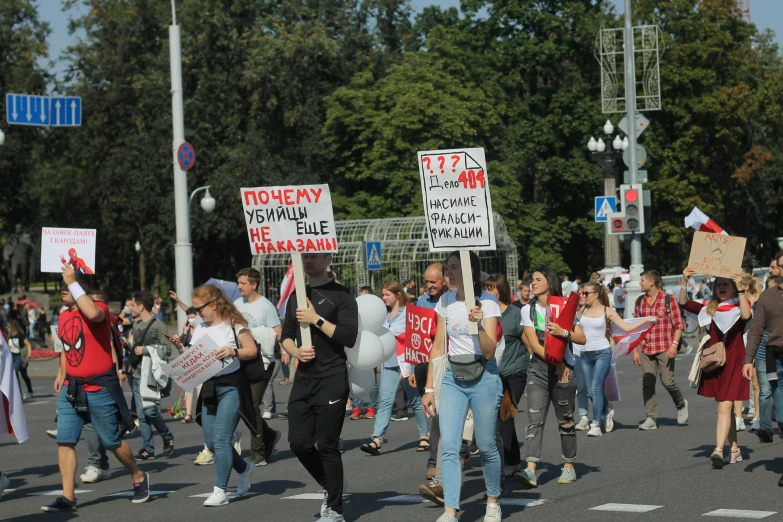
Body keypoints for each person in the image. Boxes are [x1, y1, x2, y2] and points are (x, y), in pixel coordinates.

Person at [43, 265, 148, 512]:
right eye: (62, 286)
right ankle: (68, 497)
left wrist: (73, 281)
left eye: (67, 286)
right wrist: (61, 373)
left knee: (111, 440)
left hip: (99, 387)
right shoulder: (64, 314)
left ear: (83, 287)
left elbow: (92, 314)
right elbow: (66, 348)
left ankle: (137, 474)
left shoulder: (98, 307)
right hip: (72, 388)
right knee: (65, 440)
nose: (63, 290)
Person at [421, 251, 503, 522]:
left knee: (488, 445)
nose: (449, 274)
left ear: (469, 270)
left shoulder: (488, 303)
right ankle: (450, 511)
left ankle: (493, 500)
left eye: (454, 268)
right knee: (450, 445)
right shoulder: (444, 300)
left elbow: (490, 351)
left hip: (484, 376)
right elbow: (437, 345)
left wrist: (478, 323)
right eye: (447, 269)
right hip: (453, 377)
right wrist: (429, 389)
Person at [281, 252, 358, 522]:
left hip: (332, 376)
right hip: (304, 378)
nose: (308, 261)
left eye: (314, 256)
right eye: (305, 257)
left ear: (328, 257)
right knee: (299, 443)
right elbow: (286, 336)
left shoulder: (341, 295)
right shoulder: (296, 296)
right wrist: (296, 352)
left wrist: (316, 319)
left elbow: (349, 337)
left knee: (326, 444)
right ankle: (333, 484)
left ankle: (335, 509)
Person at [184, 284, 259, 506]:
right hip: (209, 387)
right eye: (196, 309)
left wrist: (233, 351)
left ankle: (221, 490)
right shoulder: (200, 327)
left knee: (222, 439)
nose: (197, 313)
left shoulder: (234, 325)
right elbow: (195, 357)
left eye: (200, 308)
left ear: (214, 304)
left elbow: (252, 350)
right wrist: (182, 351)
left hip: (231, 386)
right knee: (212, 442)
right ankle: (244, 469)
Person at [513, 267, 584, 489]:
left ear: (549, 282)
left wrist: (564, 333)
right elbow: (533, 344)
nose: (532, 283)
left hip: (564, 370)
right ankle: (531, 469)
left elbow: (581, 338)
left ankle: (569, 466)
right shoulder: (528, 309)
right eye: (531, 279)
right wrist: (557, 361)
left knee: (566, 420)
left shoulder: (565, 305)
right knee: (534, 419)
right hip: (539, 368)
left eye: (537, 279)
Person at [680, 268, 751, 468]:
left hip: (735, 359)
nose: (721, 287)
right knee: (724, 407)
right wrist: (685, 280)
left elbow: (746, 315)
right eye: (718, 284)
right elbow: (684, 303)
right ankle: (735, 449)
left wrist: (741, 289)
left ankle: (718, 450)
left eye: (725, 284)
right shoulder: (708, 307)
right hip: (716, 361)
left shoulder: (740, 304)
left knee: (725, 406)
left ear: (733, 288)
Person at [577, 282, 656, 436]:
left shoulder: (607, 311)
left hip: (602, 353)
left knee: (595, 387)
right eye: (582, 293)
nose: (583, 296)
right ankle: (607, 408)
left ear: (596, 294)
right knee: (591, 392)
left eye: (586, 293)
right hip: (585, 354)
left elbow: (626, 328)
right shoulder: (581, 310)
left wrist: (645, 320)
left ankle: (595, 424)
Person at [360, 282, 428, 456]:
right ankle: (377, 440)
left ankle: (425, 436)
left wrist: (413, 368)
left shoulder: (410, 312)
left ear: (398, 295)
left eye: (387, 295)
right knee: (386, 401)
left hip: (408, 363)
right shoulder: (381, 315)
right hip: (389, 363)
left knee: (415, 401)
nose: (383, 298)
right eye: (382, 295)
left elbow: (416, 339)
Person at [234, 267, 283, 466]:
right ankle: (269, 434)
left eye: (243, 283)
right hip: (242, 360)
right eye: (238, 283)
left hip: (263, 362)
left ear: (254, 284)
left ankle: (258, 451)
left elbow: (278, 331)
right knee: (242, 406)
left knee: (252, 405)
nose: (239, 287)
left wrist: (287, 351)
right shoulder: (237, 304)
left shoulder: (266, 306)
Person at [632, 270, 689, 430]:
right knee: (647, 382)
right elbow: (636, 328)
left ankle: (681, 404)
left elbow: (679, 324)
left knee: (667, 381)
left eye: (642, 280)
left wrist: (674, 345)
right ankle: (650, 417)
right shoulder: (639, 301)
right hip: (646, 347)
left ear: (651, 282)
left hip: (665, 346)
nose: (640, 283)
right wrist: (634, 350)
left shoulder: (668, 299)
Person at [484, 274, 529, 478]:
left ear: (500, 290)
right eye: (485, 287)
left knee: (505, 416)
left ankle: (512, 462)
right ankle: (507, 460)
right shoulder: (483, 313)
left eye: (490, 288)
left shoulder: (515, 313)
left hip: (515, 372)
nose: (486, 291)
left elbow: (528, 342)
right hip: (492, 373)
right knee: (494, 419)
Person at [744, 253, 783, 484]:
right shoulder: (768, 296)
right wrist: (748, 359)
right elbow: (756, 329)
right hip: (775, 358)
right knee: (782, 413)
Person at [129, 291, 174, 460]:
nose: (130, 308)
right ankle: (148, 448)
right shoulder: (136, 325)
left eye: (133, 305)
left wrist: (145, 350)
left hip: (151, 376)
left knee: (150, 411)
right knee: (141, 414)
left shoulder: (158, 325)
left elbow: (167, 349)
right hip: (137, 374)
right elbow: (135, 349)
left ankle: (167, 434)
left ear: (141, 307)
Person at [414, 263, 448, 483]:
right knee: (435, 416)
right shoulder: (421, 302)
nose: (429, 286)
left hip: (450, 362)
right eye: (426, 282)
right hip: (427, 365)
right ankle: (434, 463)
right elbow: (415, 336)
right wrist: (412, 367)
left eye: (433, 282)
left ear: (444, 280)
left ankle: (461, 452)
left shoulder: (452, 300)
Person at [733, 275, 762, 431]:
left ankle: (757, 417)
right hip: (740, 345)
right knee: (739, 382)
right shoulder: (737, 302)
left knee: (756, 383)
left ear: (745, 287)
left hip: (754, 345)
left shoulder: (759, 302)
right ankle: (738, 417)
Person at [6, 320, 33, 399]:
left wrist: (29, 354)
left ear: (12, 327)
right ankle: (18, 394)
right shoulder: (9, 336)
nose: (7, 328)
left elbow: (28, 344)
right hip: (12, 357)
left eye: (8, 327)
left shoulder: (20, 335)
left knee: (16, 373)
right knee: (20, 375)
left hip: (19, 357)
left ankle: (29, 391)